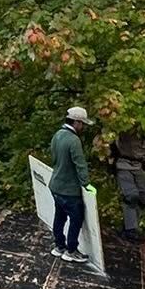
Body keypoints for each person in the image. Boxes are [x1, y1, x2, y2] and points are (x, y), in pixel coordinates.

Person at [48, 106, 94, 263]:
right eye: (82, 124)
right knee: (76, 218)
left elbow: (54, 158)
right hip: (69, 189)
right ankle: (71, 250)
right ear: (76, 122)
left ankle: (59, 246)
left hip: (55, 185)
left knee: (59, 216)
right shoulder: (73, 140)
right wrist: (87, 184)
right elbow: (80, 165)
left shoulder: (57, 135)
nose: (83, 127)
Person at [109, 127, 145, 239]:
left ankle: (129, 223)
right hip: (123, 164)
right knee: (131, 196)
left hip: (138, 166)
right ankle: (130, 228)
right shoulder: (130, 129)